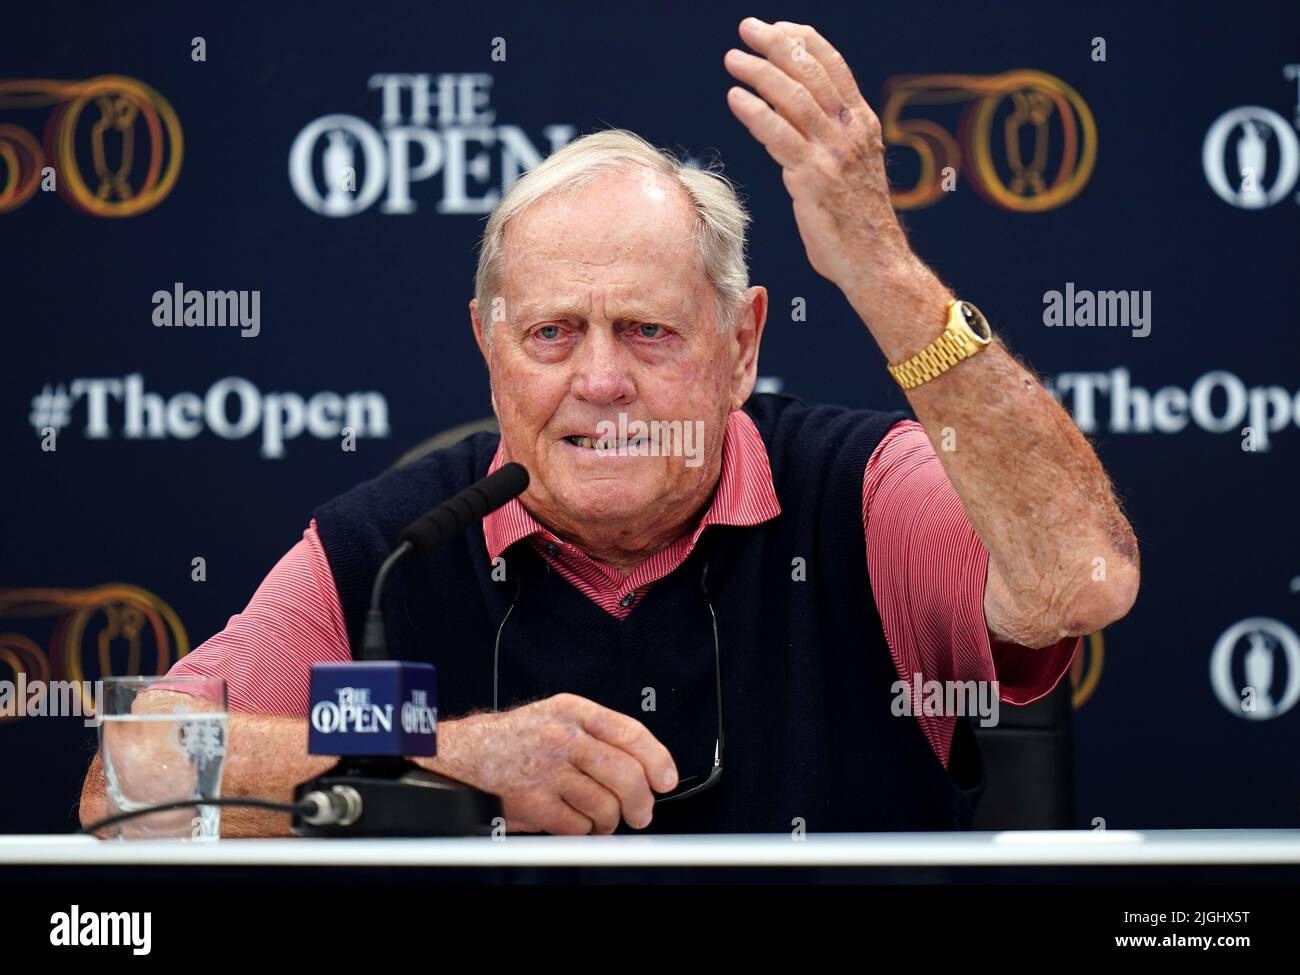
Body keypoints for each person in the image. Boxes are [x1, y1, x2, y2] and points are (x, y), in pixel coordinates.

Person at [80, 18, 1138, 837]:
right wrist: (452, 755)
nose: (600, 380)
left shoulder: (861, 496)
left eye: (647, 331)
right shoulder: (392, 555)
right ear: (489, 349)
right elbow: (133, 783)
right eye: (550, 333)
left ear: (742, 345)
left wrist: (878, 264)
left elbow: (1083, 577)